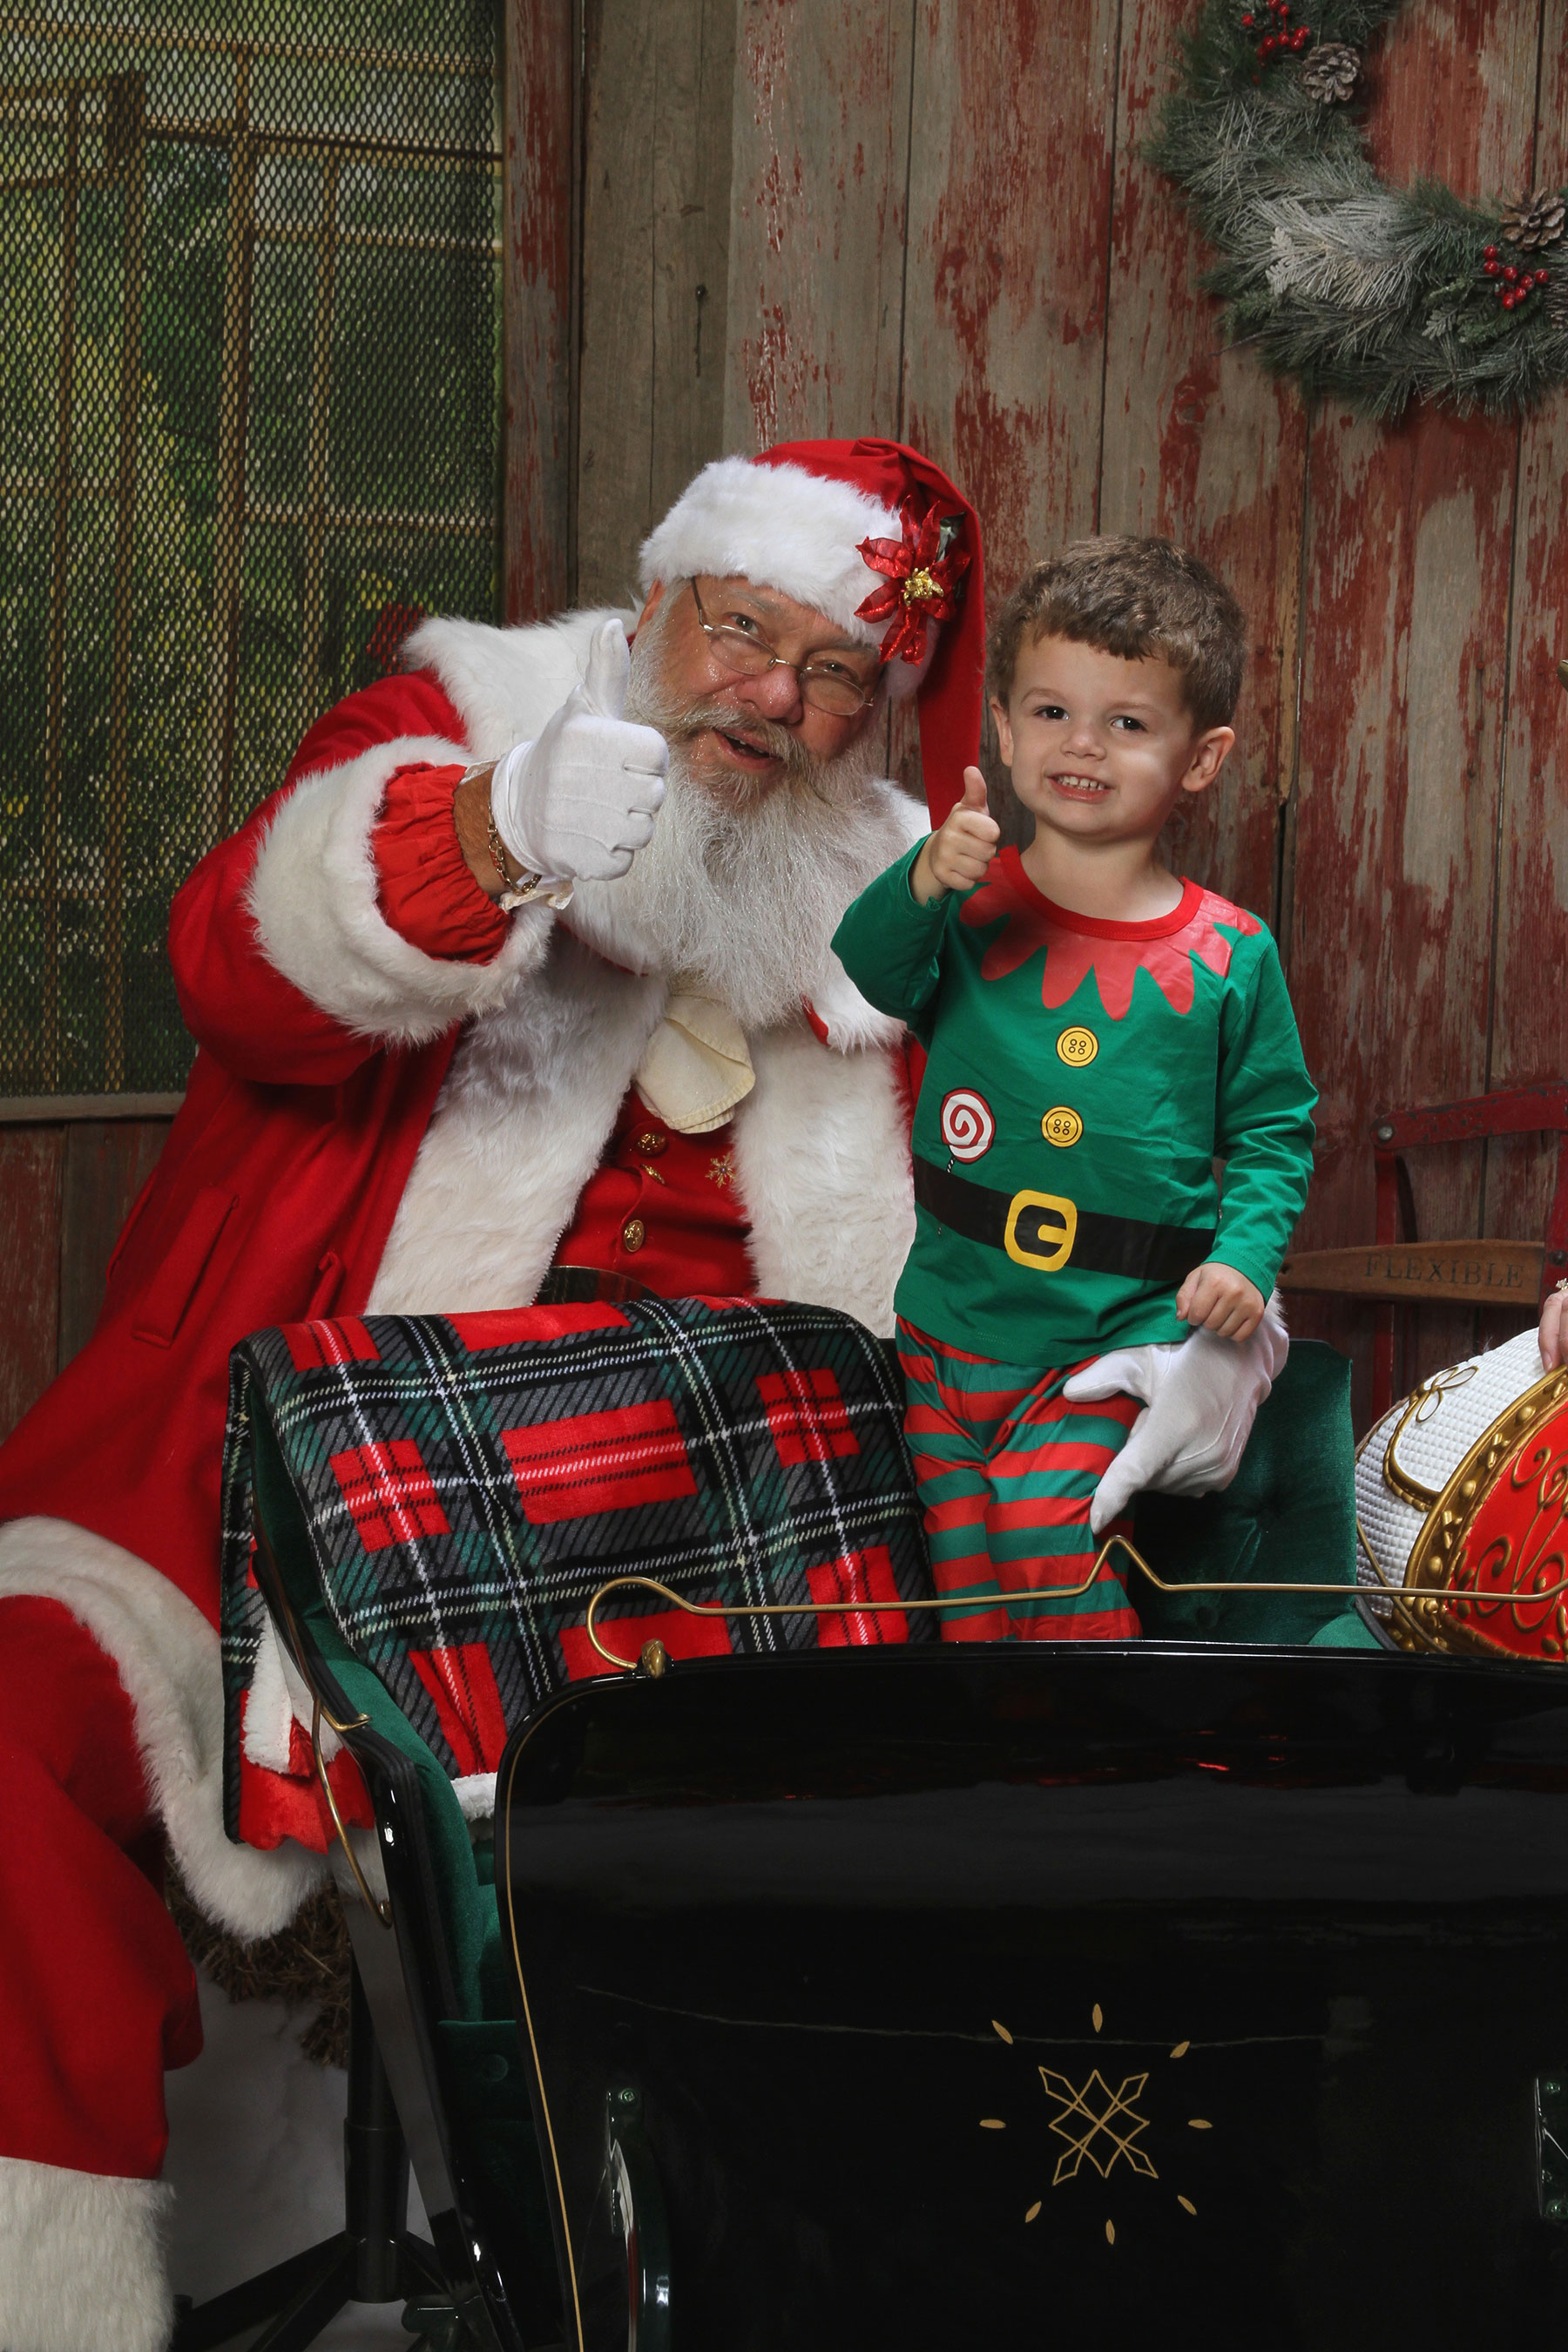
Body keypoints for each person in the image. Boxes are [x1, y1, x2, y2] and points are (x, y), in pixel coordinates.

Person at [0, 453, 1285, 2350]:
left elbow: (1136, 1184)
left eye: (839, 669)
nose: (771, 696)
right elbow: (240, 970)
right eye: (741, 629)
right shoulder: (460, 726)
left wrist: (1209, 1355)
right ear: (660, 594)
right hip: (290, 1485)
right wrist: (490, 838)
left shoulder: (942, 904)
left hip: (736, 1535)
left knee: (966, 1839)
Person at [833, 536, 1316, 1641]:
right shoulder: (965, 901)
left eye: (1128, 723)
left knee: (1049, 1546)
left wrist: (1242, 1259)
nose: (1081, 745)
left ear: (1201, 758)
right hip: (949, 1328)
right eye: (1050, 713)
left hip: (1108, 1332)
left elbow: (1277, 1128)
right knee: (967, 1585)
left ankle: (1102, 1791)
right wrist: (919, 880)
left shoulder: (1227, 955)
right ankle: (998, 1797)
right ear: (1001, 727)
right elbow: (868, 969)